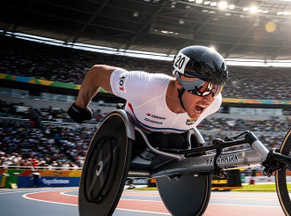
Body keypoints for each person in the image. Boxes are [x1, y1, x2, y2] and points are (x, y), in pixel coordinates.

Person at [67, 45, 228, 148]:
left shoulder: (215, 103)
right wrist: (79, 106)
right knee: (161, 141)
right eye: (203, 88)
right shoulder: (142, 85)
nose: (209, 99)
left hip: (175, 144)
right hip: (131, 140)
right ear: (180, 83)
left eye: (216, 89)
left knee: (174, 142)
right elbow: (96, 73)